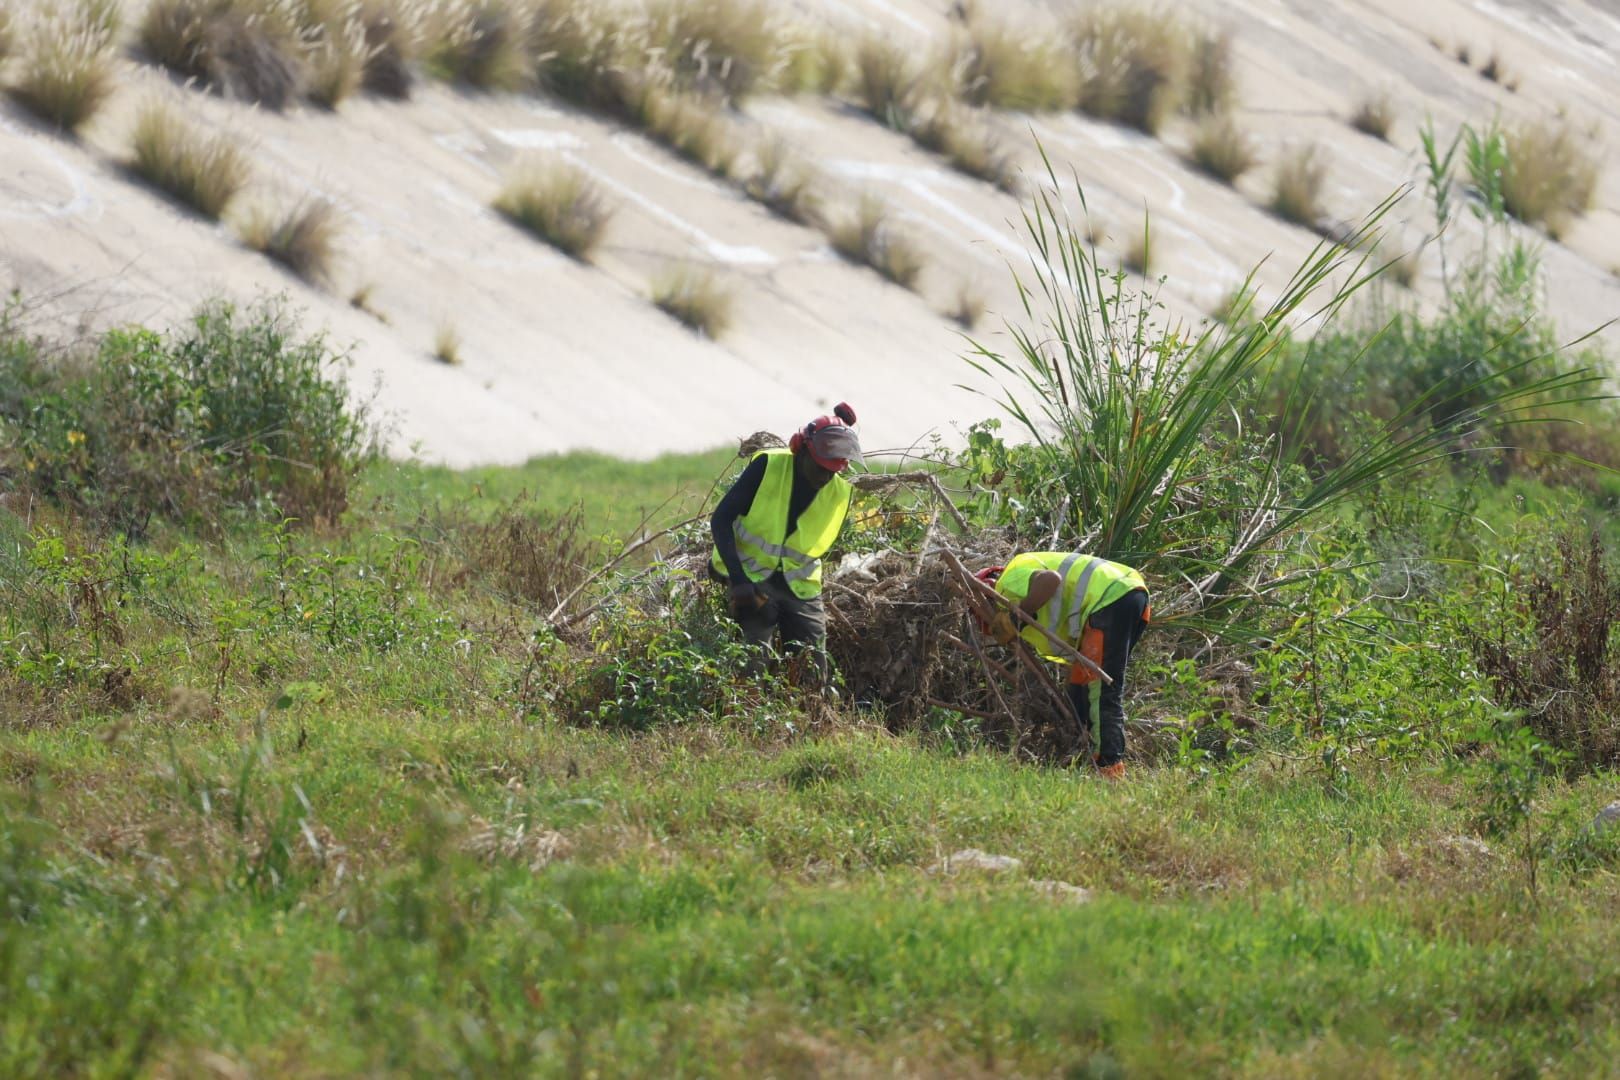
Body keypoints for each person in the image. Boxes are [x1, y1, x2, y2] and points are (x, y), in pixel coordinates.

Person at [710, 403, 863, 680]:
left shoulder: (839, 491)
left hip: (800, 587)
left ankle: (810, 716)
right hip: (751, 575)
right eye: (822, 469)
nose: (827, 477)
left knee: (814, 668)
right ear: (800, 449)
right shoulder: (768, 466)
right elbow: (720, 519)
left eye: (833, 471)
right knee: (752, 658)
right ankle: (742, 714)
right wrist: (739, 580)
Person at [976, 553, 1150, 780]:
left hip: (1109, 599)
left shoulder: (1006, 582)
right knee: (1081, 687)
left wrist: (1014, 618)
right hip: (1127, 596)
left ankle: (1109, 771)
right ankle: (1082, 761)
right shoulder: (1019, 589)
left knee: (1101, 690)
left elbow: (1050, 580)